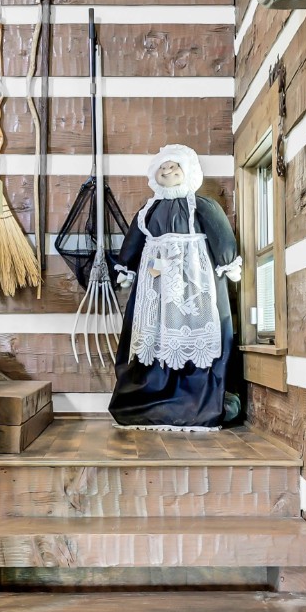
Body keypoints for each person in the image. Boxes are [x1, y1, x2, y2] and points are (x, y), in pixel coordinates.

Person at [108, 144, 246, 430]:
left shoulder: (203, 206)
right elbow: (135, 239)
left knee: (197, 338)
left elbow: (220, 233)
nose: (168, 171)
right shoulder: (148, 210)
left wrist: (227, 261)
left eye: (175, 167)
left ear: (189, 171)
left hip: (193, 280)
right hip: (155, 282)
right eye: (163, 168)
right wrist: (126, 266)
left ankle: (198, 402)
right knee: (151, 335)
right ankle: (147, 402)